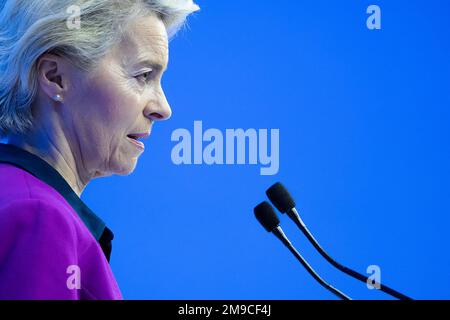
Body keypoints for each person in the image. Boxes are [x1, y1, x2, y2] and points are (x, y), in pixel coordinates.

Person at [0, 0, 199, 300]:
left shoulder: (14, 197)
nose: (163, 108)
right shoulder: (40, 217)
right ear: (55, 77)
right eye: (143, 75)